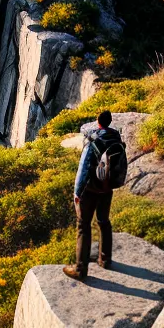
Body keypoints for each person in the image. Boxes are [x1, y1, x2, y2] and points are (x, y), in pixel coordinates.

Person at [63, 109, 125, 280]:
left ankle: (80, 269)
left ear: (98, 122)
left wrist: (77, 192)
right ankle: (105, 259)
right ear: (110, 122)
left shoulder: (93, 139)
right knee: (103, 221)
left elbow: (83, 168)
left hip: (90, 190)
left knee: (83, 225)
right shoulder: (116, 137)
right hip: (107, 189)